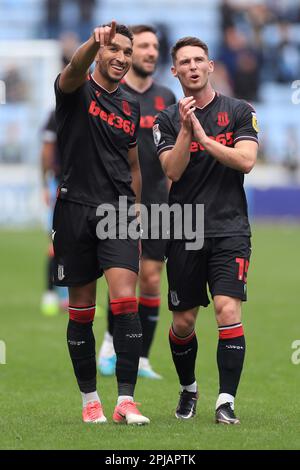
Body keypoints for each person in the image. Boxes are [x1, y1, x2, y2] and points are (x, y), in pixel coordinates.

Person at [154, 36, 258, 423]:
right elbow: (173, 171)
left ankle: (226, 401)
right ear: (175, 71)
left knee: (227, 308)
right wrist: (185, 131)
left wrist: (204, 139)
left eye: (200, 59)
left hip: (230, 228)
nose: (193, 66)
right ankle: (188, 390)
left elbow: (246, 161)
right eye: (185, 62)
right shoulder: (165, 120)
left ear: (211, 66)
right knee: (183, 323)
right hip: (184, 229)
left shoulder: (239, 111)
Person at [52, 20, 149, 425]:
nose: (122, 58)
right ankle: (90, 399)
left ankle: (126, 400)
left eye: (128, 53)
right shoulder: (75, 89)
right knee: (81, 309)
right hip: (74, 208)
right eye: (116, 50)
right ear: (101, 52)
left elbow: (133, 165)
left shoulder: (131, 105)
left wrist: (138, 209)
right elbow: (73, 70)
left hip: (118, 211)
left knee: (126, 301)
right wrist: (93, 43)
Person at [98, 25, 176, 379]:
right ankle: (110, 345)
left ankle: (142, 357)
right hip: (119, 198)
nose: (150, 52)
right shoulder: (113, 92)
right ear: (129, 52)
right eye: (143, 46)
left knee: (151, 276)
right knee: (122, 278)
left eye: (155, 47)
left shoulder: (166, 97)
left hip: (159, 198)